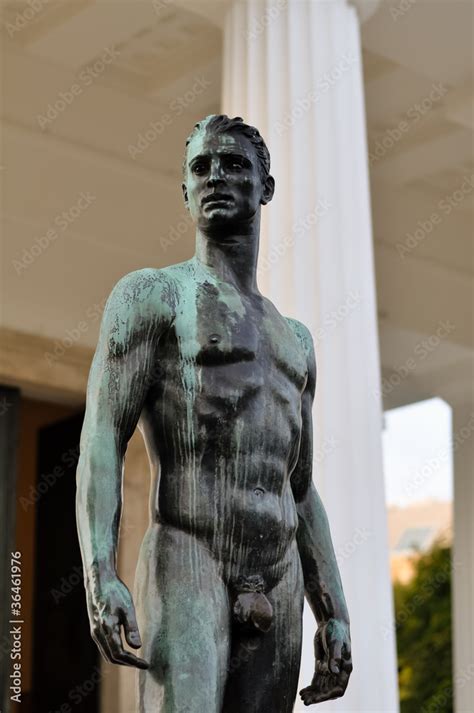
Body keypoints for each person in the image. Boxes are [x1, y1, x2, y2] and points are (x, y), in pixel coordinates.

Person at [76, 114, 352, 712]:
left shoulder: (297, 341)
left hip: (277, 572)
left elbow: (300, 489)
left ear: (266, 187)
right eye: (200, 168)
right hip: (189, 552)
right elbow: (101, 437)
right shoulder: (151, 296)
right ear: (183, 189)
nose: (215, 178)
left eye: (233, 165)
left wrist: (332, 609)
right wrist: (100, 574)